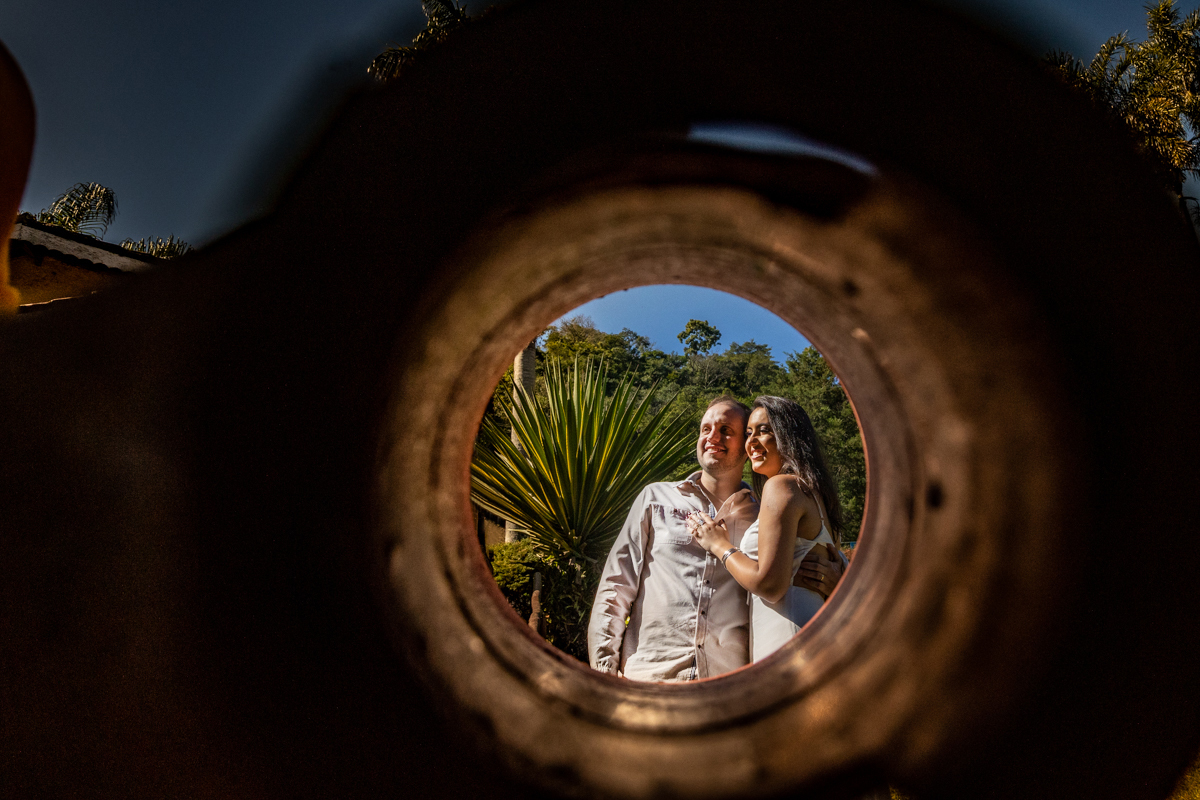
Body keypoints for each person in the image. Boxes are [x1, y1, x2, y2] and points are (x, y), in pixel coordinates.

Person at [587, 395, 844, 681]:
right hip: (651, 677)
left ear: (746, 449)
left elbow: (821, 553)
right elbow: (615, 587)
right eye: (705, 429)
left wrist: (839, 579)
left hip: (728, 689)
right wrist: (603, 672)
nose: (712, 437)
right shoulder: (654, 499)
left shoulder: (767, 512)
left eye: (726, 430)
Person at [689, 396, 846, 662]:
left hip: (787, 642)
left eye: (764, 431)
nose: (751, 442)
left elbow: (770, 585)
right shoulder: (814, 494)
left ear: (790, 436)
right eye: (749, 433)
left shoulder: (782, 486)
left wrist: (719, 545)